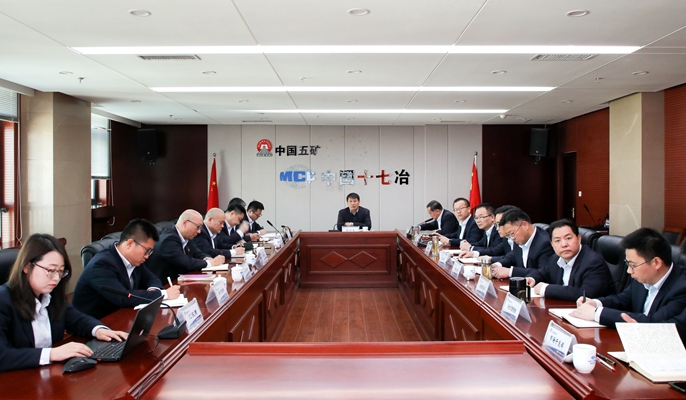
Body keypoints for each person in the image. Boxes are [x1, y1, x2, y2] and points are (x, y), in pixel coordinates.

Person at [0, 234, 127, 372]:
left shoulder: (49, 296)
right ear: (26, 267)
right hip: (14, 379)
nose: (56, 278)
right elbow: (2, 356)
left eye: (60, 271)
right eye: (50, 270)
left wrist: (99, 330)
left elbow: (77, 319)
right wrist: (52, 354)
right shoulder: (3, 301)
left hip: (46, 373)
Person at [570, 227, 686, 327]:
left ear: (656, 263)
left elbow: (655, 322)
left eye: (633, 265)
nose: (629, 271)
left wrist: (597, 314)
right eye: (628, 264)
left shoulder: (681, 287)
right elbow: (622, 300)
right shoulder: (643, 276)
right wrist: (596, 303)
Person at [73, 219, 181, 319]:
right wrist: (163, 294)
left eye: (150, 252)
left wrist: (154, 290)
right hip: (96, 323)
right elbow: (123, 297)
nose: (147, 256)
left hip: (121, 315)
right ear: (130, 243)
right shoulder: (102, 264)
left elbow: (152, 278)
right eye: (147, 250)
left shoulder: (134, 259)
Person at [525, 219, 615, 302]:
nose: (564, 244)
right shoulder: (555, 258)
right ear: (552, 244)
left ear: (579, 239)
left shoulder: (593, 262)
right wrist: (531, 278)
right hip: (563, 308)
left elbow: (585, 294)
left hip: (591, 311)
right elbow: (544, 272)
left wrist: (546, 289)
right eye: (557, 241)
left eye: (568, 238)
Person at [147, 209, 225, 281]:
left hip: (180, 280)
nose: (199, 231)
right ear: (185, 223)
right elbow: (186, 262)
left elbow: (198, 253)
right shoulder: (169, 239)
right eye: (198, 227)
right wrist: (211, 263)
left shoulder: (186, 237)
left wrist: (208, 258)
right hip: (165, 285)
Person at [491, 208, 554, 278]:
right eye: (509, 235)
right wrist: (497, 265)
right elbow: (512, 256)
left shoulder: (545, 243)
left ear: (525, 225)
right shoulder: (519, 238)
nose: (512, 238)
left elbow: (543, 273)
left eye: (512, 233)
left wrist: (511, 272)